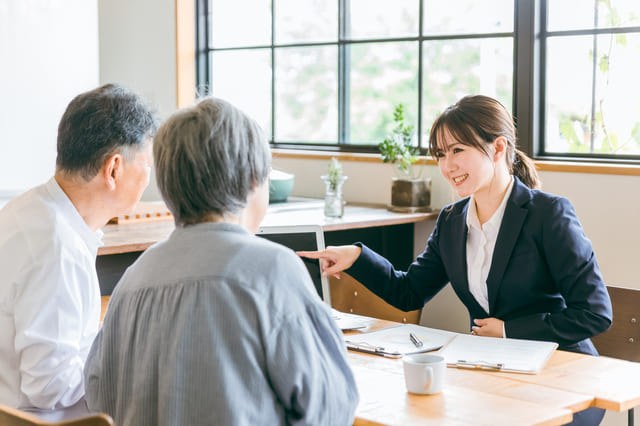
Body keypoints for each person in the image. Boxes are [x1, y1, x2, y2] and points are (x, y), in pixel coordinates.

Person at [299, 95, 612, 426]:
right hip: (491, 374)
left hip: (562, 377)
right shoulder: (451, 221)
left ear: (498, 148)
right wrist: (357, 257)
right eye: (440, 154)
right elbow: (409, 292)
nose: (447, 165)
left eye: (458, 150)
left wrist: (508, 330)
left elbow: (595, 313)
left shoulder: (548, 214)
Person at [84, 97, 359, 426]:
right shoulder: (272, 270)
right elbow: (331, 407)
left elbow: (98, 394)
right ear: (253, 180)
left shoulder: (134, 279)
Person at [0, 84, 157, 418]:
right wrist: (126, 360)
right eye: (147, 165)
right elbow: (50, 387)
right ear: (114, 168)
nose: (148, 178)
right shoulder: (58, 246)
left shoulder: (26, 210)